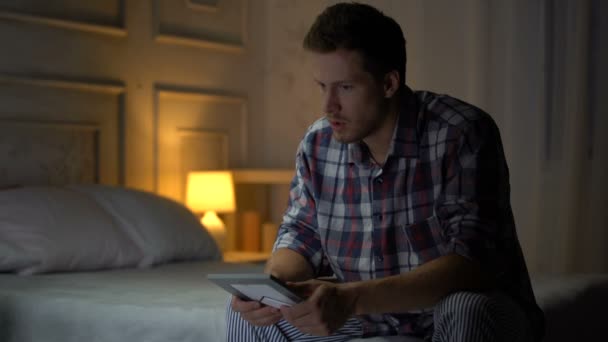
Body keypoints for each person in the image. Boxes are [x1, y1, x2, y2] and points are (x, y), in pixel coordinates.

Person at [226, 2, 544, 341]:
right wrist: (270, 288)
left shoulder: (461, 133)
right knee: (249, 319)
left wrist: (351, 299)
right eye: (322, 86)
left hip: (446, 307)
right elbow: (301, 235)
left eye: (345, 88)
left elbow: (470, 263)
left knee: (467, 308)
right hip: (368, 315)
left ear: (389, 83)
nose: (328, 106)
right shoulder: (318, 143)